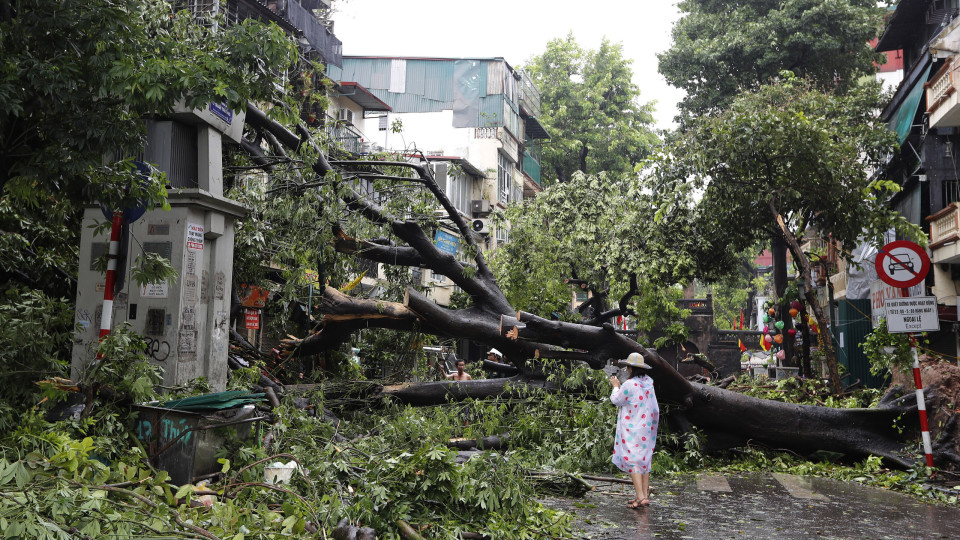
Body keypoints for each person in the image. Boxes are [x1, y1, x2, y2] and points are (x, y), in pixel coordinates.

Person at [608, 351, 659, 508]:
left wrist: (616, 386)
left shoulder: (629, 385)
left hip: (632, 428)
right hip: (647, 428)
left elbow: (616, 400)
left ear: (630, 368)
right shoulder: (649, 383)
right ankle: (642, 496)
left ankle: (640, 496)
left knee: (633, 460)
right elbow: (655, 408)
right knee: (644, 460)